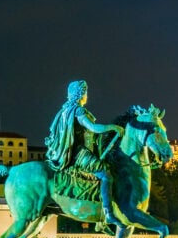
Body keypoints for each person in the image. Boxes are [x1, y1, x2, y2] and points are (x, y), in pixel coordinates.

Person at [44, 80, 126, 225]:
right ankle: (108, 214)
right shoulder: (78, 110)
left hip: (70, 152)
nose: (87, 95)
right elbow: (93, 127)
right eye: (85, 92)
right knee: (106, 174)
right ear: (80, 94)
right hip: (79, 153)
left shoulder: (64, 110)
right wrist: (113, 127)